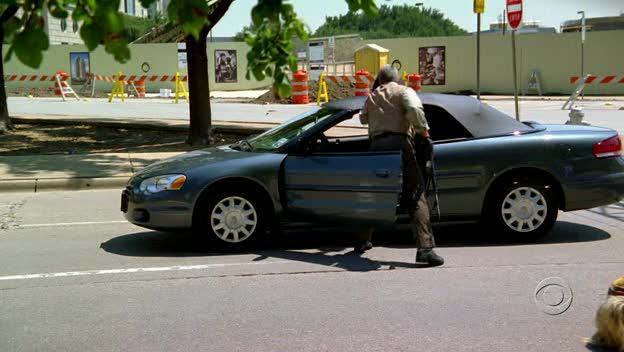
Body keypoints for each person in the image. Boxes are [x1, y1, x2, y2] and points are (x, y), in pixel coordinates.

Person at [354, 64, 444, 267]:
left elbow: (362, 118)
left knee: (372, 194)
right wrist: (424, 132)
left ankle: (362, 241)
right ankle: (425, 249)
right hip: (400, 145)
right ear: (397, 79)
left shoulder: (372, 95)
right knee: (415, 194)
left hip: (376, 147)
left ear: (380, 80)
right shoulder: (404, 91)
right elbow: (413, 109)